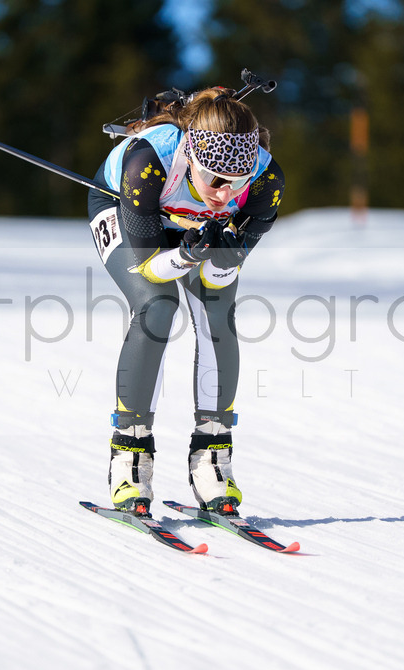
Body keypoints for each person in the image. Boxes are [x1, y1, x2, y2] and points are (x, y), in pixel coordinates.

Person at [87, 87, 286, 516]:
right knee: (157, 307)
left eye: (237, 183)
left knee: (219, 316)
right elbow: (151, 270)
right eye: (214, 179)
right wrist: (187, 253)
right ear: (191, 157)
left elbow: (219, 277)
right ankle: (130, 457)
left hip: (192, 229)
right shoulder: (148, 163)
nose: (224, 195)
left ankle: (213, 457)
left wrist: (223, 254)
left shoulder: (267, 183)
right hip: (128, 209)